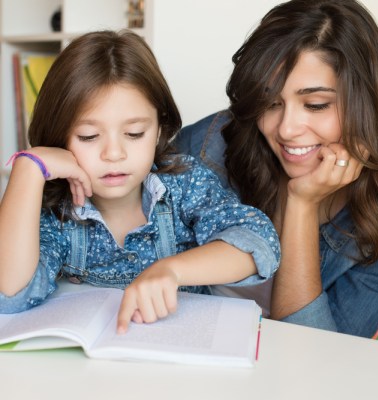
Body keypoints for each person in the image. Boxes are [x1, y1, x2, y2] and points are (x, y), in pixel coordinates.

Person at [0, 30, 280, 333]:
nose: (114, 153)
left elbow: (258, 243)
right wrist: (27, 169)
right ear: (59, 137)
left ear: (159, 128)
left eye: (134, 133)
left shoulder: (183, 184)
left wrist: (171, 270)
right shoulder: (56, 211)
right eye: (89, 136)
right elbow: (11, 296)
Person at [175, 0, 378, 338]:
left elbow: (318, 356)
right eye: (271, 102)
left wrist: (301, 205)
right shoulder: (209, 149)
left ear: (366, 103)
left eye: (315, 105)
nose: (286, 129)